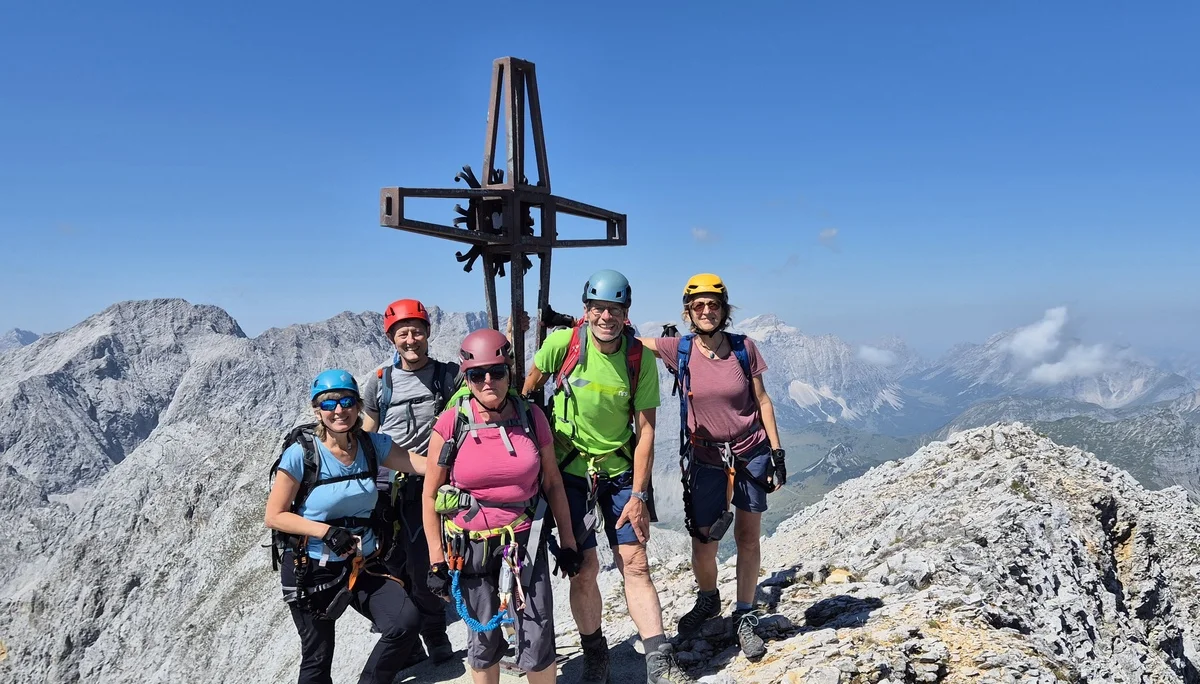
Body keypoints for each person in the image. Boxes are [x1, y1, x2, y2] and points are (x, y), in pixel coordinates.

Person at [522, 269, 692, 684]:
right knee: (583, 567)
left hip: (618, 474)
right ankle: (595, 652)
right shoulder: (562, 344)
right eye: (598, 308)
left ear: (625, 313)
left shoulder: (638, 358)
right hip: (569, 474)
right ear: (585, 311)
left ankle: (659, 662)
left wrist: (638, 494)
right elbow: (527, 392)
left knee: (635, 563)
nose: (605, 317)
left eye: (614, 309)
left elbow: (647, 429)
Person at [637, 274, 786, 661]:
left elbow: (763, 401)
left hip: (750, 452)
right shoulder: (679, 349)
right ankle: (709, 599)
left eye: (713, 305)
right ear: (688, 312)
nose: (706, 311)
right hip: (705, 457)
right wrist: (584, 324)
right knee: (704, 542)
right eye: (698, 306)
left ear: (724, 310)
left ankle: (745, 613)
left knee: (747, 537)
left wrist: (777, 452)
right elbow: (628, 340)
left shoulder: (743, 348)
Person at [421, 328, 582, 684]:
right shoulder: (453, 422)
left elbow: (552, 482)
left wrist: (569, 543)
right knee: (483, 640)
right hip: (470, 544)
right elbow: (430, 494)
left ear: (510, 372)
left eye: (497, 372)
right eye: (477, 375)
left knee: (538, 636)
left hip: (525, 539)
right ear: (467, 378)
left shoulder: (531, 416)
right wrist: (435, 558)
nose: (488, 381)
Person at [265, 369, 429, 684]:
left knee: (404, 621)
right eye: (329, 403)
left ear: (358, 406)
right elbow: (275, 515)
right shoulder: (303, 454)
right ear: (317, 410)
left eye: (347, 401)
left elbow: (419, 464)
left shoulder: (372, 446)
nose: (339, 410)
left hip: (361, 563)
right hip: (311, 568)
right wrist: (327, 532)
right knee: (318, 658)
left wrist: (466, 460)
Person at [360, 298, 456, 664]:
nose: (411, 339)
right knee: (390, 563)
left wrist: (513, 334)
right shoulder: (380, 383)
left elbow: (488, 384)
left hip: (429, 481)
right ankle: (409, 640)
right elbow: (367, 432)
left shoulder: (447, 376)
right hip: (390, 484)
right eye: (403, 333)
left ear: (428, 333)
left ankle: (434, 632)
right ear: (392, 339)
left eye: (417, 331)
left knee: (422, 560)